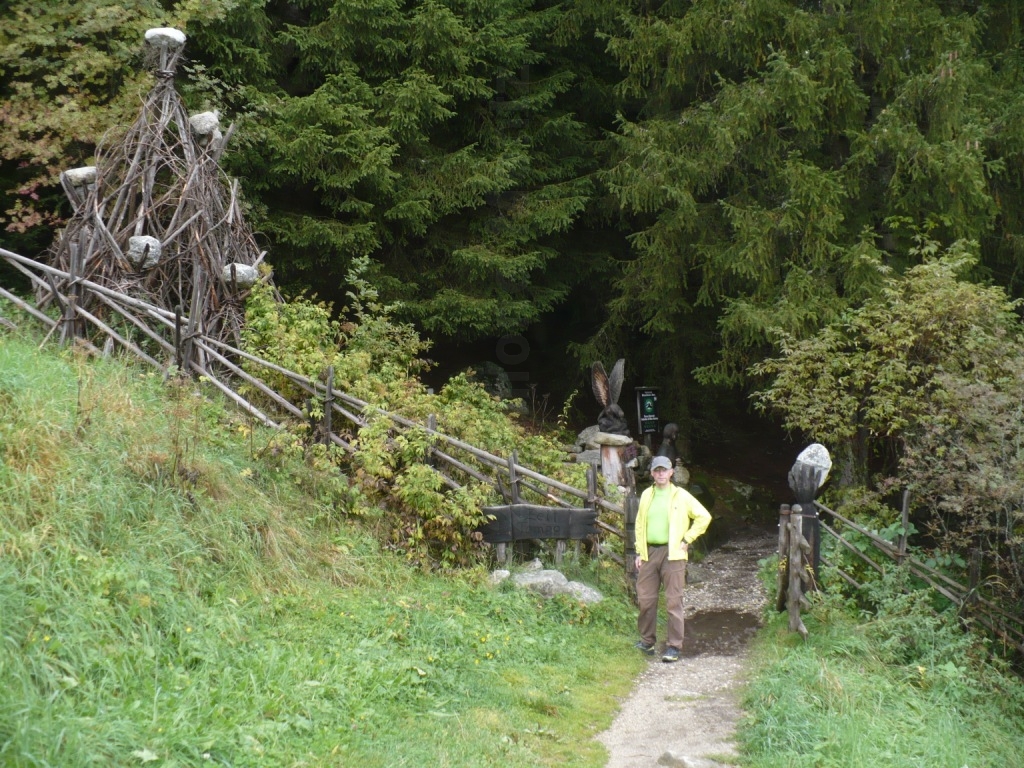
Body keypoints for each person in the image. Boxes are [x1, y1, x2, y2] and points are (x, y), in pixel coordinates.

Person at [634, 455, 712, 662]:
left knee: (673, 601)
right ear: (651, 473)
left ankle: (674, 646)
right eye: (656, 470)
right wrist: (640, 552)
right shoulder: (645, 495)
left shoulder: (682, 496)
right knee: (645, 600)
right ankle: (647, 642)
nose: (660, 474)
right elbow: (640, 525)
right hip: (649, 553)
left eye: (664, 470)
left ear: (671, 473)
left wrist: (687, 538)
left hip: (674, 554)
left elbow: (704, 517)